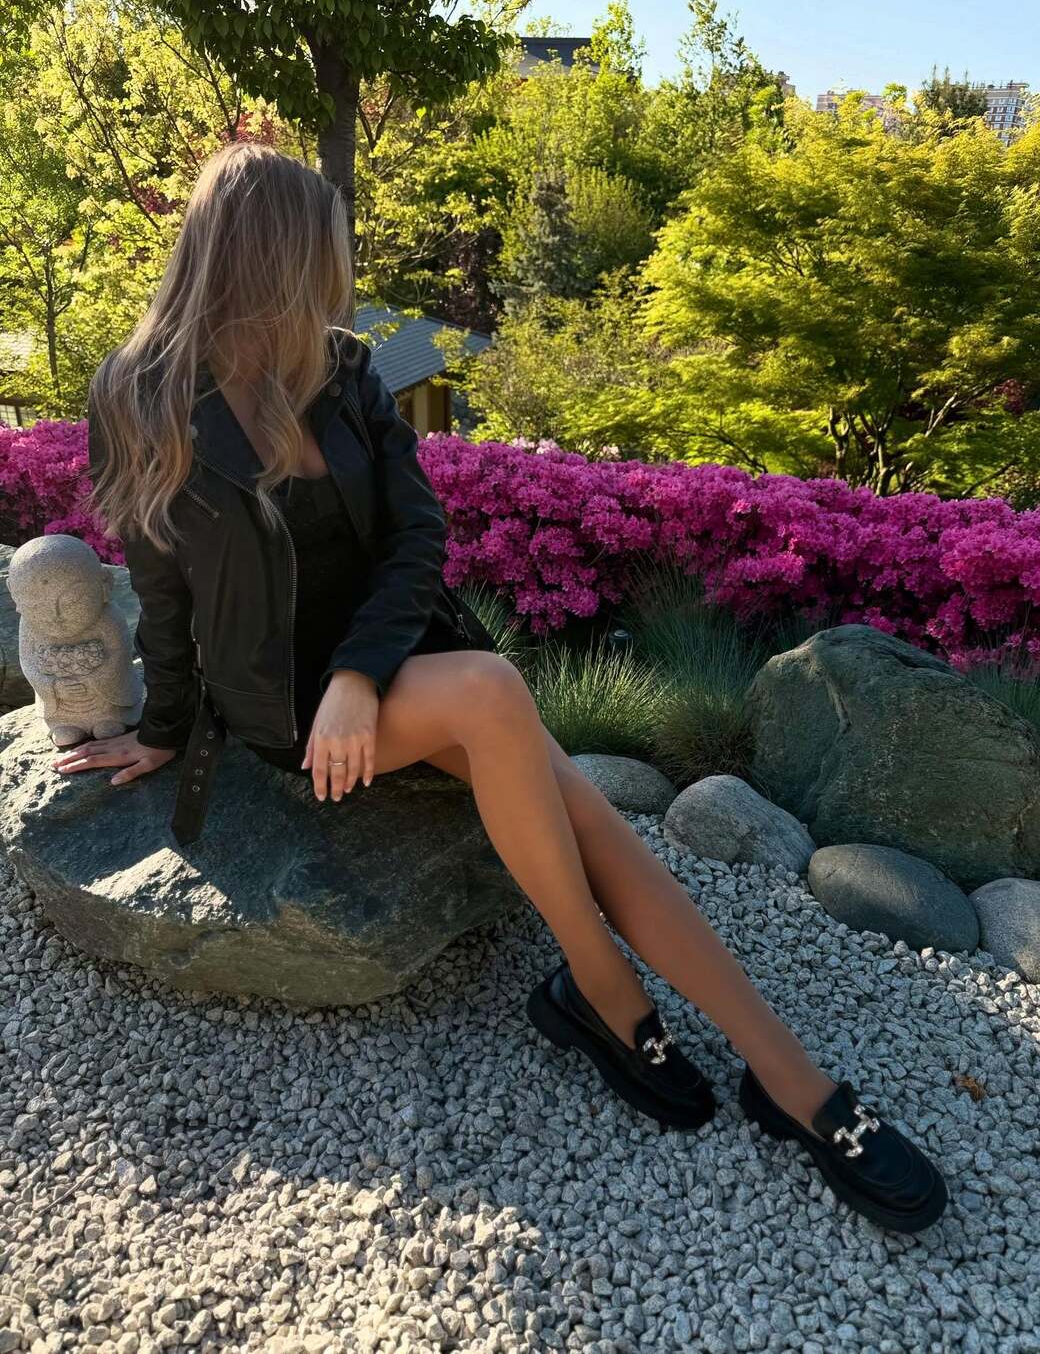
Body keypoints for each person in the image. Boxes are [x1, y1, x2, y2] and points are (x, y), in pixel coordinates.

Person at [58, 141, 947, 1235]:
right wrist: (162, 726)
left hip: (393, 664)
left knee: (579, 807)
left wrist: (361, 672)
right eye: (325, 254)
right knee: (492, 695)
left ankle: (778, 1070)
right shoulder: (139, 394)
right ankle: (608, 989)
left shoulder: (339, 370)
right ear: (271, 258)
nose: (340, 277)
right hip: (286, 706)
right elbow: (160, 583)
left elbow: (416, 537)